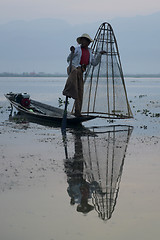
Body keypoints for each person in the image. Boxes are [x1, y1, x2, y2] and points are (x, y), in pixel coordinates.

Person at [63, 33, 106, 117]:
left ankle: (77, 112)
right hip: (73, 69)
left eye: (85, 41)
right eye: (82, 41)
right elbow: (69, 59)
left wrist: (99, 54)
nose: (83, 42)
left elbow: (94, 63)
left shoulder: (89, 51)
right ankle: (67, 91)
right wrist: (72, 52)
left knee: (80, 92)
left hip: (81, 72)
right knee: (74, 75)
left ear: (88, 43)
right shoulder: (76, 49)